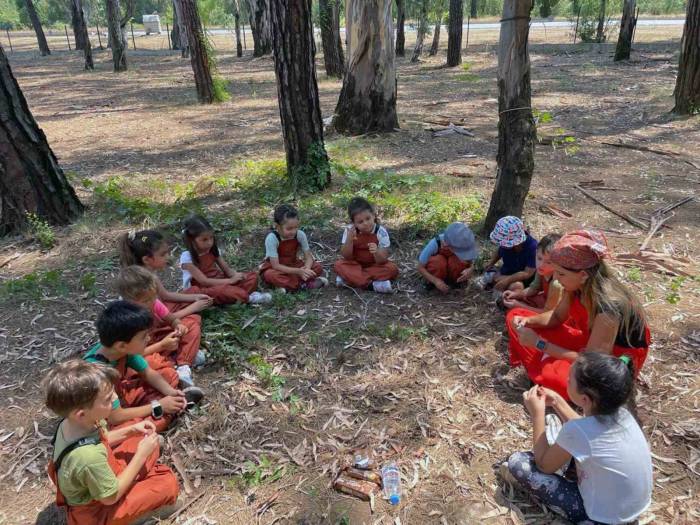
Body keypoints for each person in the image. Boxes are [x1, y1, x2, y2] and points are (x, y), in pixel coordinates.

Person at [504, 353, 653, 524]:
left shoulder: (576, 432)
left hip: (602, 518)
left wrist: (537, 415)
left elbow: (544, 465)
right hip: (632, 509)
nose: (566, 380)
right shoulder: (624, 414)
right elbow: (586, 432)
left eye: (569, 380)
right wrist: (558, 402)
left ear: (584, 399)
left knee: (518, 463)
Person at [506, 230, 650, 399]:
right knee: (514, 315)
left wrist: (539, 344)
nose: (557, 280)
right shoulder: (574, 287)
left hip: (611, 360)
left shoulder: (608, 308)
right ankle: (545, 367)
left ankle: (546, 370)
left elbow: (593, 362)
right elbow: (558, 317)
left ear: (582, 275)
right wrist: (528, 321)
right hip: (587, 341)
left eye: (561, 274)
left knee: (562, 382)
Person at [43, 360, 180, 525]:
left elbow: (103, 438)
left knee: (134, 427)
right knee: (167, 483)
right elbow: (110, 497)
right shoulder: (87, 457)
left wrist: (131, 431)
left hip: (101, 475)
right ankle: (139, 516)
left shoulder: (75, 423)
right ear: (81, 414)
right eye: (108, 399)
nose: (115, 398)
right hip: (99, 511)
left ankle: (140, 469)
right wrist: (141, 456)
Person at [85, 301, 201, 432]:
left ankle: (168, 408)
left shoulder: (122, 351)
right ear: (121, 345)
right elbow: (114, 417)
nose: (148, 338)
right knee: (133, 432)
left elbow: (148, 372)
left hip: (120, 397)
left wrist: (172, 392)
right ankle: (160, 417)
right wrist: (159, 405)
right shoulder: (97, 374)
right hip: (106, 416)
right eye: (143, 337)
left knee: (169, 375)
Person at [117, 265, 203, 388]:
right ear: (128, 301)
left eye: (154, 297)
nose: (152, 301)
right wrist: (162, 345)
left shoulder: (154, 303)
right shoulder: (126, 321)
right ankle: (179, 357)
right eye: (146, 300)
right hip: (144, 352)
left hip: (157, 339)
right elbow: (131, 356)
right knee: (150, 366)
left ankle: (183, 365)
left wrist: (178, 326)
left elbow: (172, 319)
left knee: (192, 324)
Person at [118, 228, 214, 317]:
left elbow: (165, 295)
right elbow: (158, 319)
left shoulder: (149, 273)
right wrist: (193, 308)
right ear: (147, 259)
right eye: (163, 254)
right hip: (149, 323)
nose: (168, 257)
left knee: (194, 290)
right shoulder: (141, 283)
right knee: (192, 321)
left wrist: (195, 297)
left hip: (160, 310)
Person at [180, 215, 272, 305]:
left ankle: (238, 295)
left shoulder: (212, 250)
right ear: (191, 240)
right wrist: (230, 281)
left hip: (221, 280)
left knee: (252, 277)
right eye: (204, 240)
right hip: (204, 289)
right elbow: (204, 281)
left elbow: (227, 270)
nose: (209, 242)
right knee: (222, 291)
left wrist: (237, 276)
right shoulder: (187, 257)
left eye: (211, 238)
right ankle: (248, 298)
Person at [334, 197, 399, 293]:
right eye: (360, 222)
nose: (365, 223)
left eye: (368, 218)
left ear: (373, 215)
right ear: (354, 223)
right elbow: (346, 256)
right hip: (354, 264)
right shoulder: (350, 230)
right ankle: (372, 286)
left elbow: (383, 260)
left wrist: (376, 252)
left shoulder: (380, 231)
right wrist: (349, 240)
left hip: (374, 265)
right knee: (338, 265)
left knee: (392, 269)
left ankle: (350, 279)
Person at [260, 204, 327, 292]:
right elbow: (275, 265)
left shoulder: (300, 234)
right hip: (277, 268)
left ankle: (289, 287)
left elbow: (309, 257)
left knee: (317, 267)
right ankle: (304, 284)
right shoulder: (272, 238)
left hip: (294, 265)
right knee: (270, 275)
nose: (293, 231)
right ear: (277, 226)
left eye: (296, 227)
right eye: (289, 229)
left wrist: (306, 269)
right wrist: (298, 272)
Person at [502, 233, 563, 313]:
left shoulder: (556, 283)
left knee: (516, 313)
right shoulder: (541, 270)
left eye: (548, 262)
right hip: (545, 300)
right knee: (519, 301)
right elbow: (534, 288)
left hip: (554, 313)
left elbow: (548, 314)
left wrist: (519, 305)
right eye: (539, 258)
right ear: (536, 253)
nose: (541, 265)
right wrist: (516, 294)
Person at [480, 216, 537, 295]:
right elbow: (499, 251)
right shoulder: (506, 246)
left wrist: (507, 280)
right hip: (506, 272)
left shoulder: (533, 248)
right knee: (493, 276)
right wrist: (491, 263)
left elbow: (527, 273)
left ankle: (503, 296)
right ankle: (493, 284)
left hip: (521, 280)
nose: (502, 245)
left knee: (517, 286)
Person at [417, 222, 478, 293]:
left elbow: (473, 260)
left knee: (458, 262)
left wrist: (470, 269)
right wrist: (435, 281)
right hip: (438, 271)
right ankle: (433, 282)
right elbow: (420, 267)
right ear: (447, 245)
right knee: (438, 263)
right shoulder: (435, 243)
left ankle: (455, 282)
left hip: (453, 270)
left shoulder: (463, 242)